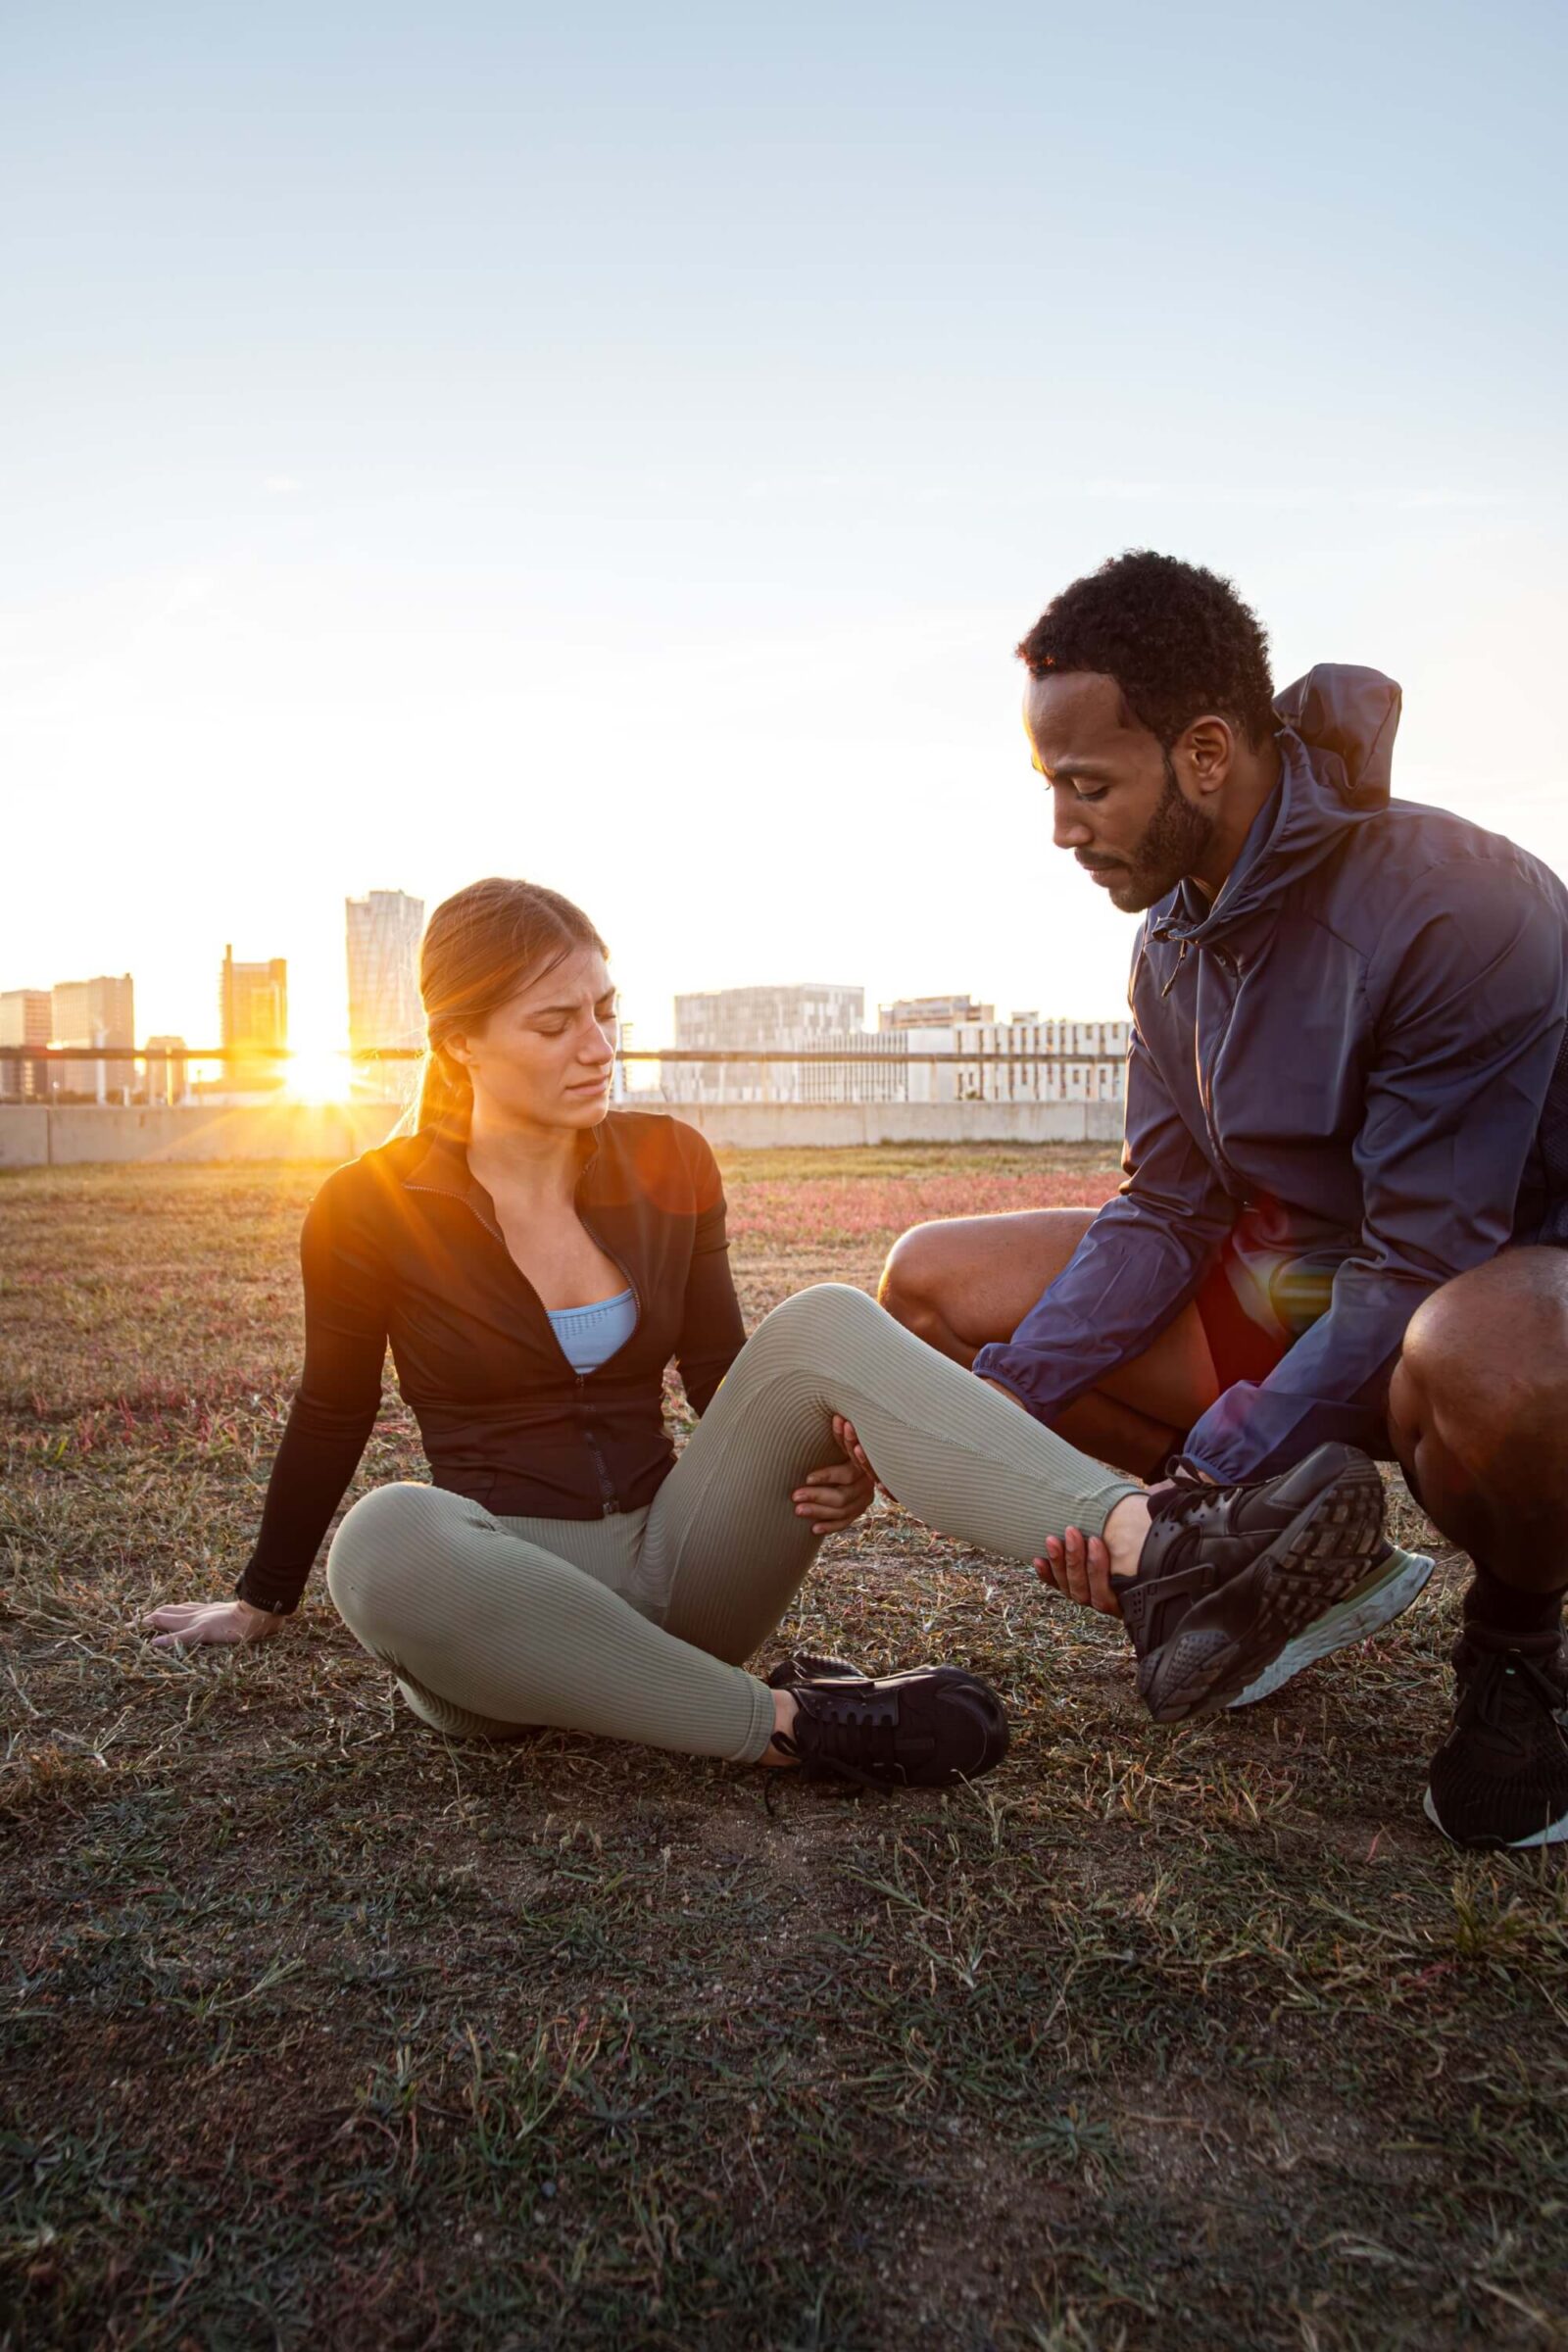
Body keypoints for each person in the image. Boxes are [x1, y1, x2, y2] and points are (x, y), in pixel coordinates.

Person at [139, 877, 1410, 1783]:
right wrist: (261, 1599)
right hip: (504, 1615)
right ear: (461, 1042)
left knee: (822, 1322)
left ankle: (1166, 1557)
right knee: (386, 1537)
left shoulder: (664, 1159)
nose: (600, 1046)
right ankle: (793, 1728)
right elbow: (332, 1408)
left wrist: (827, 1455)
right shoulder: (365, 1207)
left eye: (606, 1009)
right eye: (555, 1023)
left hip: (684, 1569)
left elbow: (727, 1377)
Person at [877, 552, 1568, 1850]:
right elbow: (1165, 1210)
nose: (1064, 830)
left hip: (1497, 1293)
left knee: (1503, 1360)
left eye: (1089, 787)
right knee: (934, 1290)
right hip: (1306, 1290)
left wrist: (1216, 1471)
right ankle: (1249, 1586)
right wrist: (999, 1409)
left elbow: (1423, 1261)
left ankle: (1519, 1642)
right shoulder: (1167, 946)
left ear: (1205, 752)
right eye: (1052, 790)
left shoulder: (1461, 904)